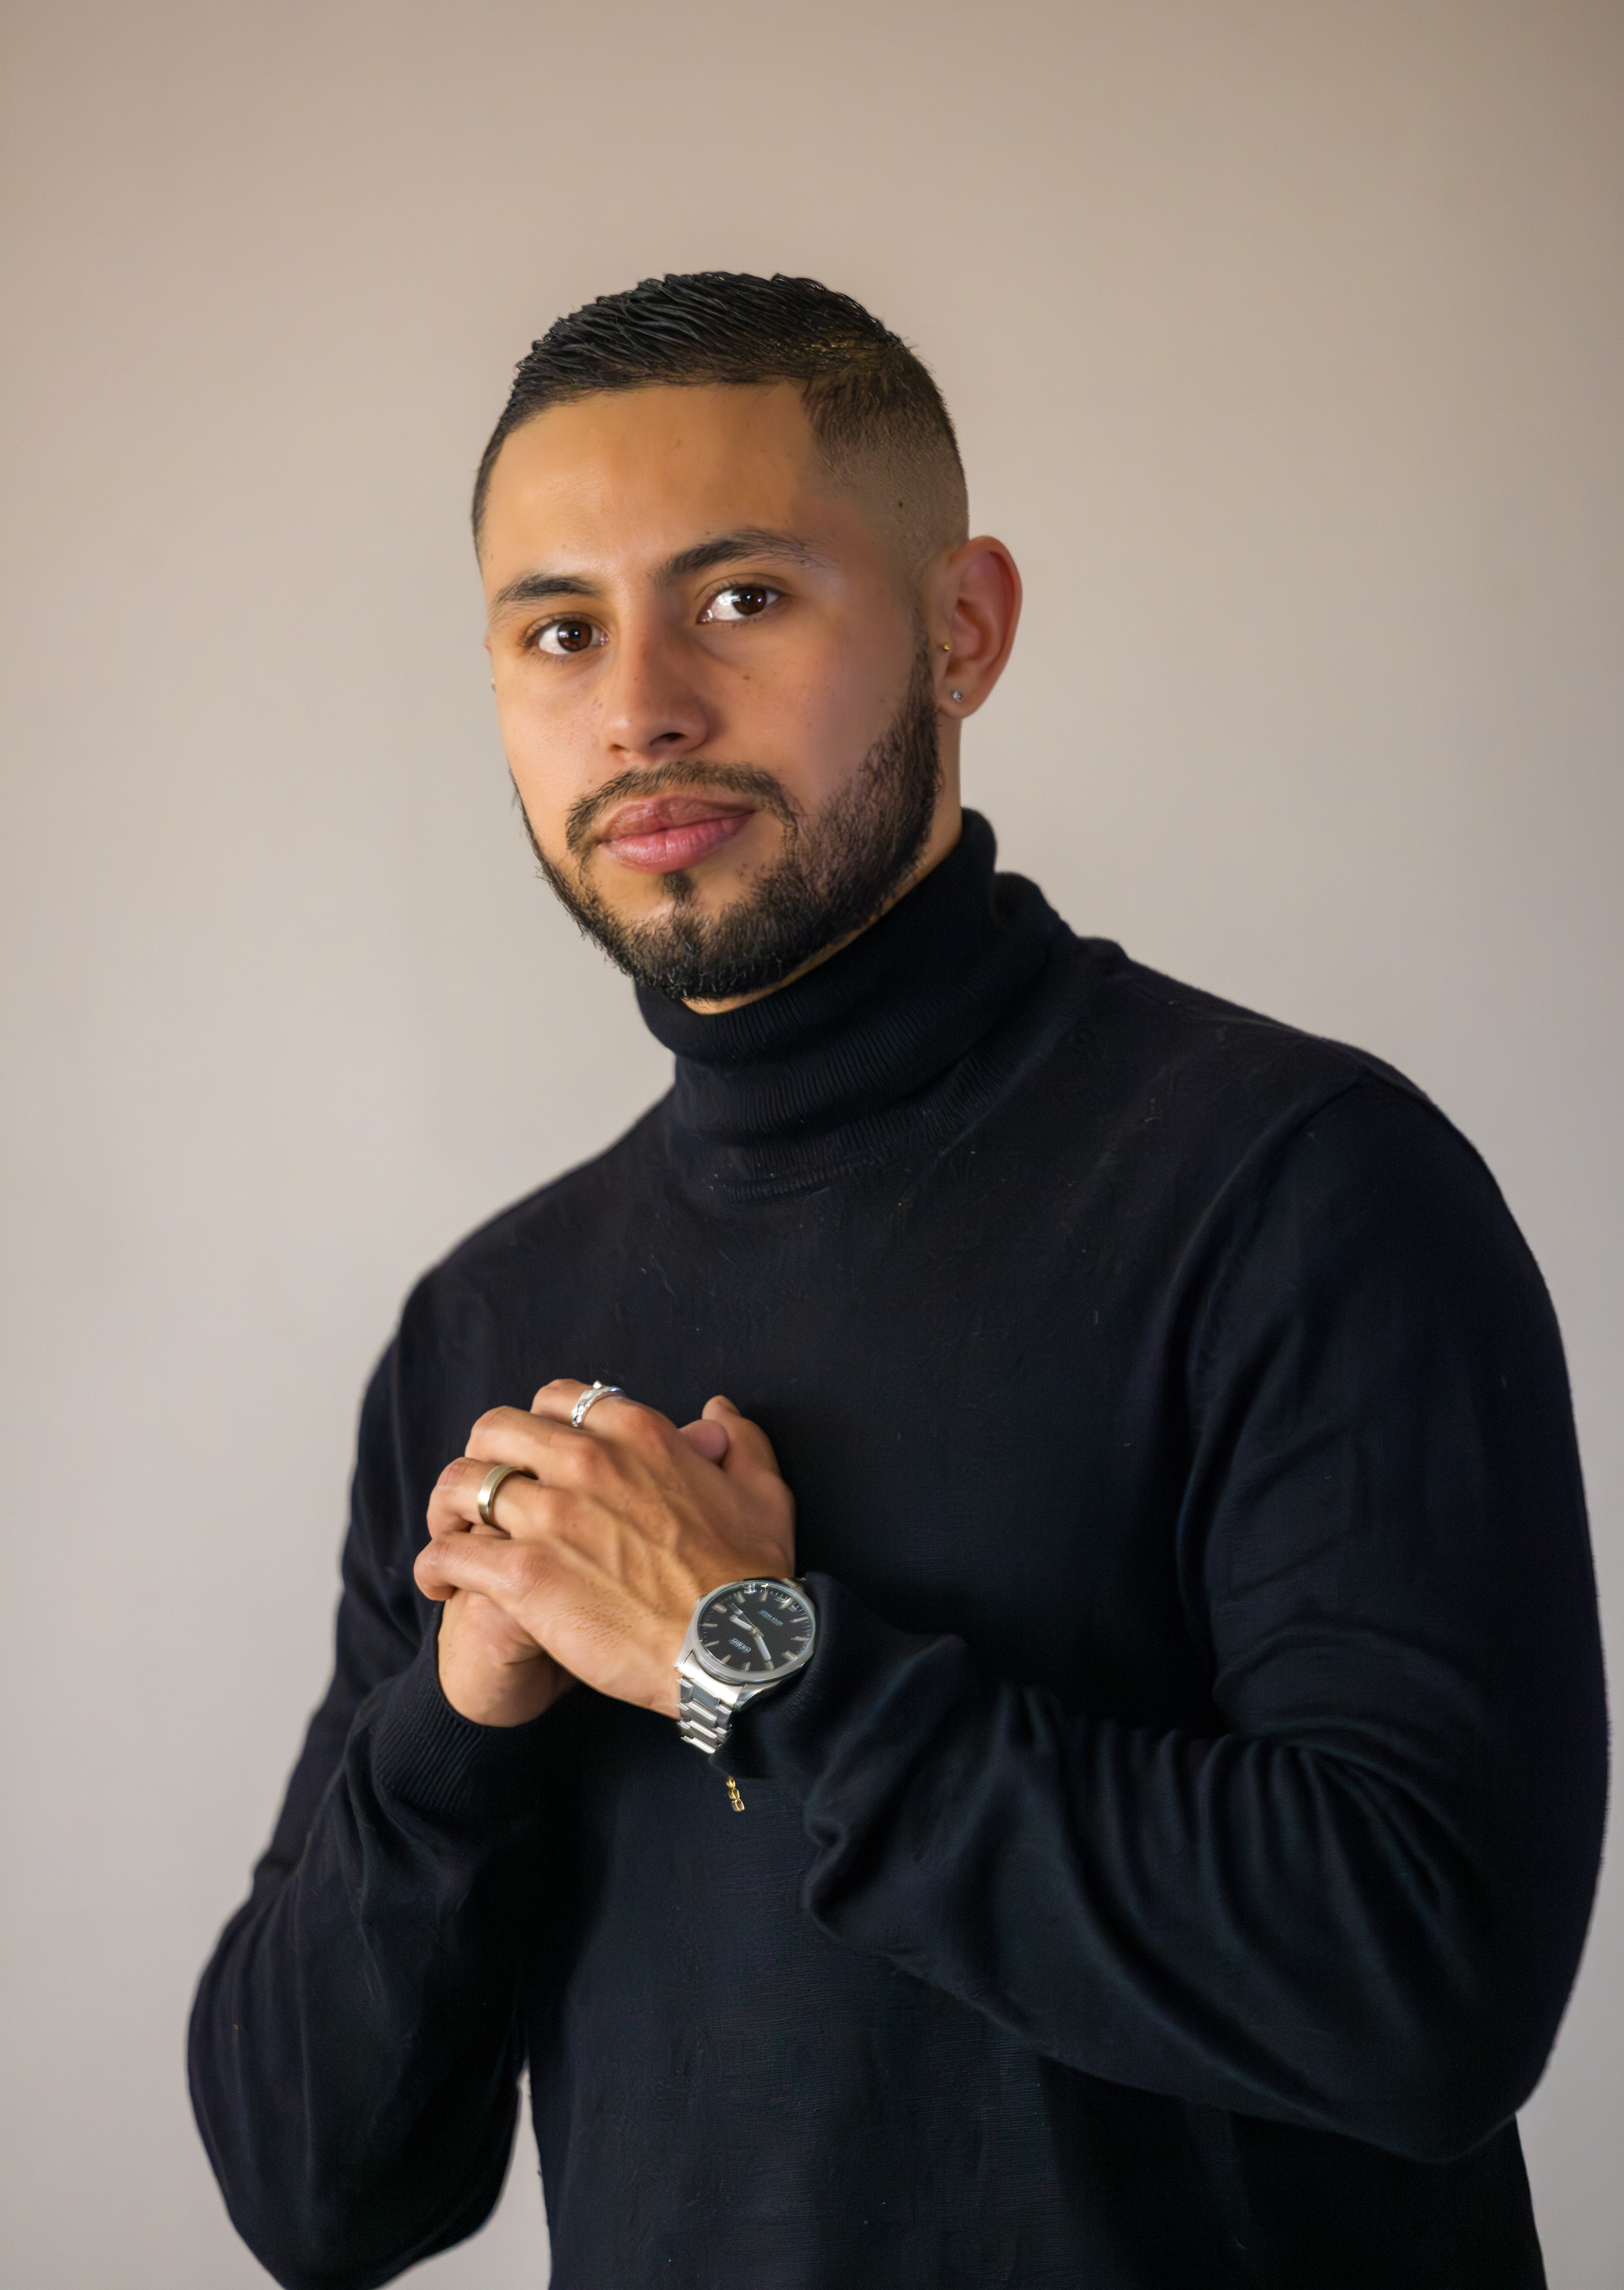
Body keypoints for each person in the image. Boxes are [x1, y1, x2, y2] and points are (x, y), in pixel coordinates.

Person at [190, 272, 1606, 2290]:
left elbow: (1423, 1996)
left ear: (964, 628)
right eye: (560, 630)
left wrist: (736, 1655)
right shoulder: (488, 1333)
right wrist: (464, 1714)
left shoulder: (1292, 1186)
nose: (640, 707)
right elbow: (319, 2196)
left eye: (741, 599)